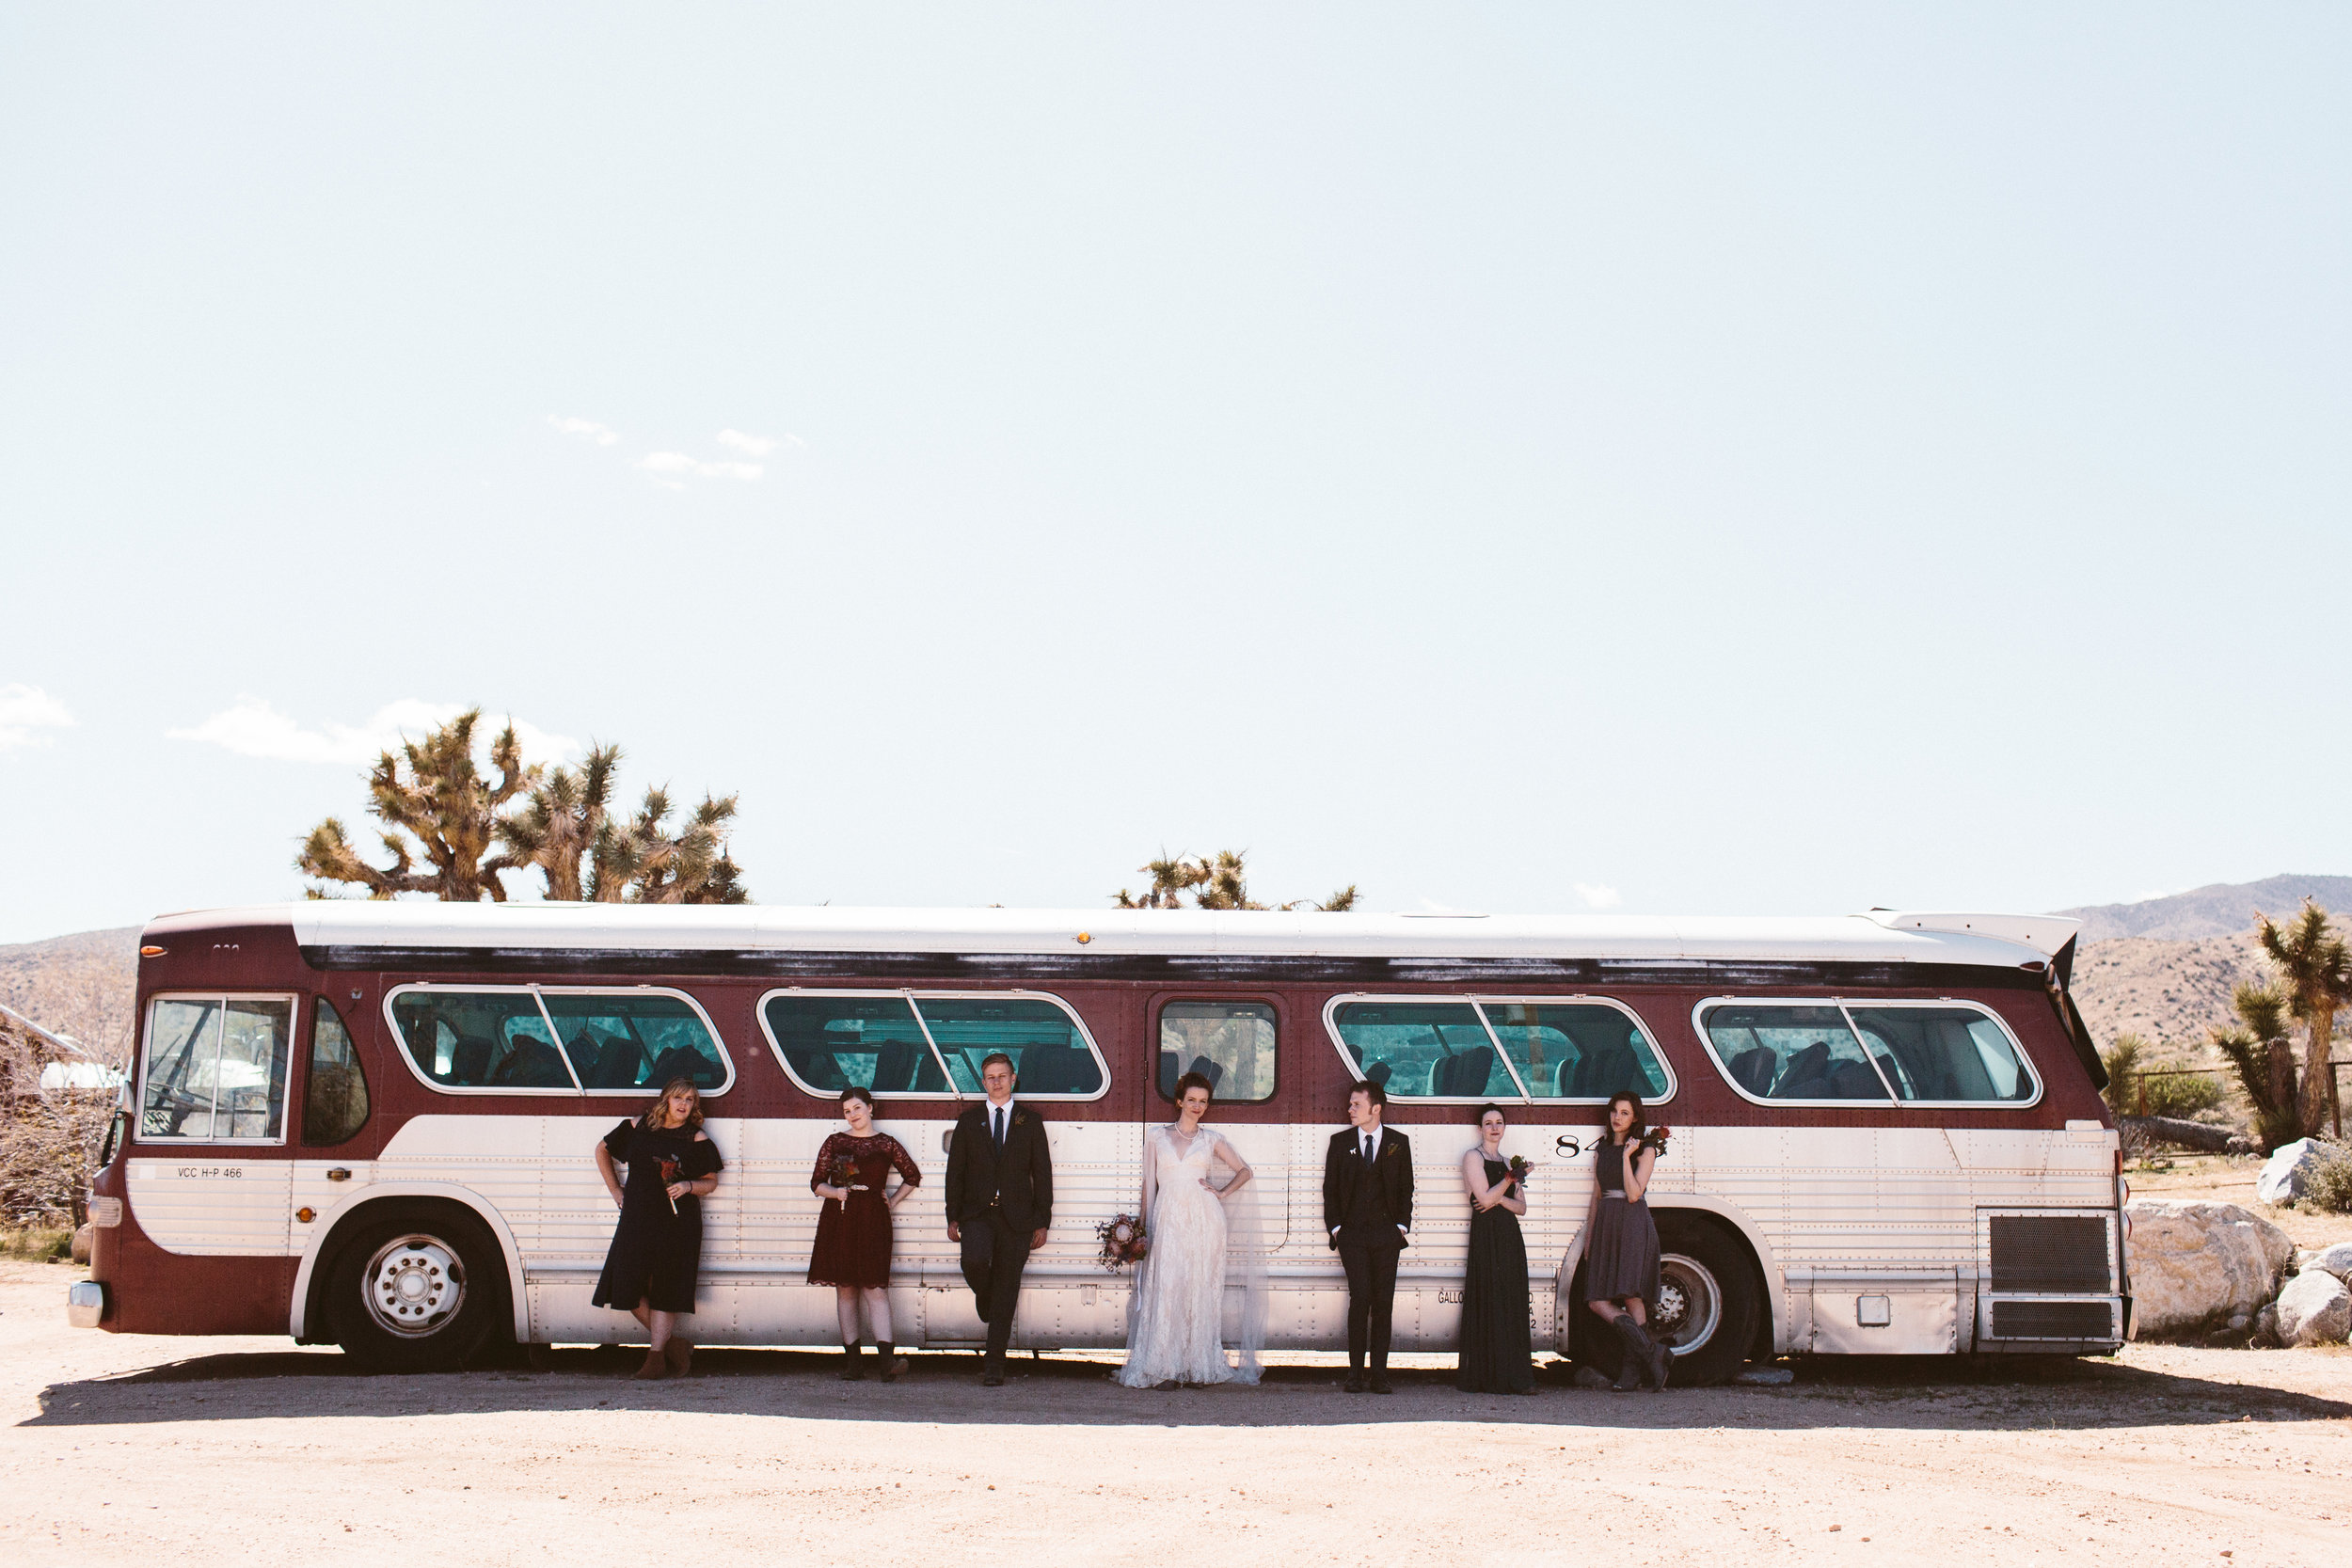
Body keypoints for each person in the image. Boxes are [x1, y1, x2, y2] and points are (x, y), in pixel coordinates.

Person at [1116, 1071, 1259, 1389]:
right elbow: (1148, 1186)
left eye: (1203, 1102)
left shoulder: (1211, 1139)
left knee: (1199, 1289)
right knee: (1167, 1287)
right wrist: (1141, 1228)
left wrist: (1221, 1193)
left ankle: (1198, 1367)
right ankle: (1162, 1367)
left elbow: (1245, 1171)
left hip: (1205, 1221)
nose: (1197, 1106)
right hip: (1168, 1220)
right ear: (1179, 1101)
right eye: (1192, 1100)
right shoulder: (1156, 1136)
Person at [591, 1077, 723, 1380]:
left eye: (690, 1100)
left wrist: (689, 1186)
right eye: (679, 1098)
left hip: (678, 1222)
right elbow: (602, 1151)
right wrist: (616, 1190)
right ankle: (675, 1344)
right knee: (624, 1284)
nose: (684, 1105)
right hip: (637, 1217)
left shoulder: (696, 1138)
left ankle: (656, 1358)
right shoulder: (639, 1127)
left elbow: (711, 1182)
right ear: (666, 1100)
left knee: (667, 1287)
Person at [944, 1050, 1054, 1386]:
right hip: (976, 1213)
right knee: (974, 1262)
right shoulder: (968, 1121)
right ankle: (984, 1297)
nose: (996, 1082)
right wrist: (953, 1216)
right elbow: (955, 1173)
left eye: (1002, 1076)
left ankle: (995, 1365)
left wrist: (1042, 1219)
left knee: (1009, 1287)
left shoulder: (1030, 1121)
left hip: (1017, 1217)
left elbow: (1043, 1173)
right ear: (983, 1081)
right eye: (990, 1077)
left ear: (1013, 1078)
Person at [808, 1085, 922, 1383]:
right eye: (846, 1111)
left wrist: (892, 1201)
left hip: (873, 1217)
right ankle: (853, 1365)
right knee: (845, 1289)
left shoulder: (886, 1144)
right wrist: (836, 1192)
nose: (852, 1115)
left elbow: (913, 1176)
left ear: (871, 1108)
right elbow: (817, 1183)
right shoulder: (835, 1142)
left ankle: (887, 1363)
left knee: (875, 1289)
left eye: (857, 1108)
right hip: (841, 1217)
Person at [1322, 1078, 1413, 1393]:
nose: (1350, 1110)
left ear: (1376, 1108)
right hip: (1353, 1238)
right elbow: (1330, 1191)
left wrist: (1401, 1227)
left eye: (1356, 1105)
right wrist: (1337, 1229)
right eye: (1350, 1104)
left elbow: (1406, 1190)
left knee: (1383, 1303)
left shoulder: (1398, 1143)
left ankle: (1380, 1376)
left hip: (1388, 1237)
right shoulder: (1339, 1142)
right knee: (1360, 1299)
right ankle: (1355, 1375)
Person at [1584, 1089, 1670, 1392]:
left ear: (1635, 1119)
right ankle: (1652, 1352)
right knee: (1597, 1300)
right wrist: (1589, 1238)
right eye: (1614, 1112)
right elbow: (1597, 1196)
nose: (1617, 1118)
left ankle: (1632, 1372)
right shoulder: (1601, 1149)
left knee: (1632, 1295)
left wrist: (1625, 1157)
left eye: (1624, 1113)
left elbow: (1634, 1193)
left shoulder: (1646, 1150)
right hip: (1607, 1221)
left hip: (1632, 1222)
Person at [1455, 1103, 1536, 1395]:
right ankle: (1489, 1377)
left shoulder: (1507, 1162)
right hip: (1486, 1235)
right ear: (1480, 1128)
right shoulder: (1472, 1157)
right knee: (1489, 1298)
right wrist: (1509, 1181)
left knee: (1510, 1300)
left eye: (1499, 1122)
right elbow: (1483, 1200)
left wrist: (1501, 1195)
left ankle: (1512, 1376)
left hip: (1508, 1236)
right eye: (1488, 1123)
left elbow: (1521, 1207)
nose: (1494, 1127)